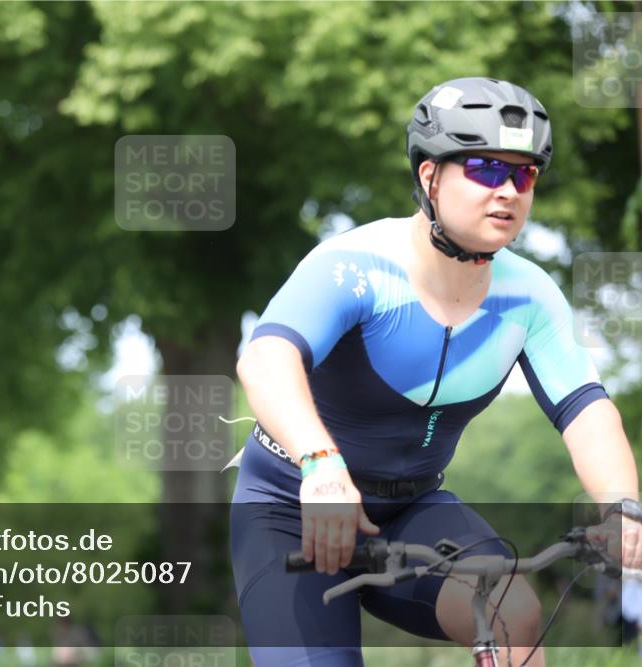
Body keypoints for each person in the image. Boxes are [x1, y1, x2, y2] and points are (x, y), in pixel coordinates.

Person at [228, 77, 642, 667]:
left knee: (511, 611)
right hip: (292, 506)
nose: (508, 191)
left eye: (523, 174)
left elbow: (587, 409)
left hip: (413, 511)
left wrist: (622, 505)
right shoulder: (355, 267)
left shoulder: (531, 297)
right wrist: (321, 467)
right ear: (430, 177)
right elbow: (265, 358)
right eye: (484, 169)